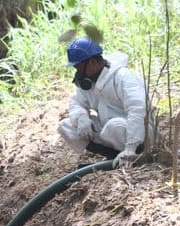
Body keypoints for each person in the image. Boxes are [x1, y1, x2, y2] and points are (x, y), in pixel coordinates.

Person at [57, 37, 151, 169]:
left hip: (137, 135)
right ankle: (114, 157)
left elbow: (138, 109)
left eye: (79, 68)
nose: (78, 73)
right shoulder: (90, 82)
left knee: (114, 126)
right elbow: (76, 103)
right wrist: (81, 117)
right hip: (110, 131)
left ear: (93, 62)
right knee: (67, 126)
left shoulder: (123, 78)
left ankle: (134, 155)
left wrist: (131, 147)